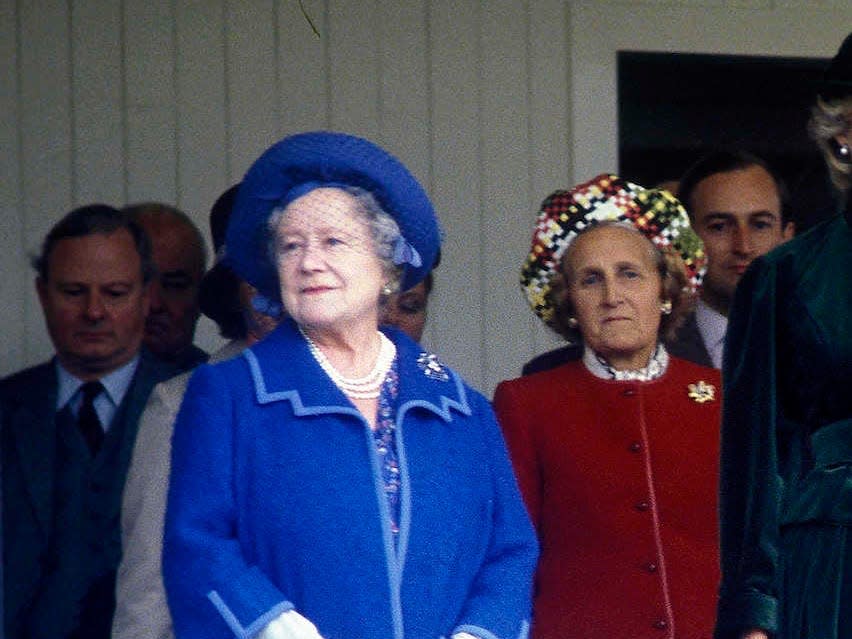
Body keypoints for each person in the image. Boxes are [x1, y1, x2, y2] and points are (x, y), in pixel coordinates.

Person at [162, 132, 538, 639]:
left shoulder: (460, 407)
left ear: (387, 266)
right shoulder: (229, 395)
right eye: (291, 245)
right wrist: (277, 627)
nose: (309, 261)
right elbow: (196, 544)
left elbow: (510, 550)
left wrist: (478, 634)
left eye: (333, 241)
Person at [494, 174, 721, 639]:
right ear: (570, 303)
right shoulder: (528, 403)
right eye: (590, 280)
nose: (612, 296)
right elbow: (510, 551)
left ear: (665, 290)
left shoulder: (722, 397)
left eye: (630, 274)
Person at [714, 32, 852, 639]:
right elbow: (756, 465)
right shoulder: (784, 278)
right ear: (843, 136)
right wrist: (754, 615)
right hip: (832, 560)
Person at [113, 184, 284, 639]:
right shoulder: (182, 404)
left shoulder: (363, 397)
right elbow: (146, 603)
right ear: (235, 291)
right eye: (260, 279)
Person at [1, 205, 177, 639]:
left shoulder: (192, 402)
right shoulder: (5, 408)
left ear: (147, 295)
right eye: (74, 292)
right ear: (42, 294)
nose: (94, 311)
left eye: (115, 292)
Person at [671, 149, 795, 368]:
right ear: (684, 239)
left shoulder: (829, 344)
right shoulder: (647, 350)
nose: (743, 247)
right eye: (719, 227)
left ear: (788, 238)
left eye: (760, 225)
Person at [125, 202, 209, 371]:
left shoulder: (225, 389)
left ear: (202, 297)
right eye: (139, 283)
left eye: (174, 286)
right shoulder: (66, 390)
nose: (153, 304)